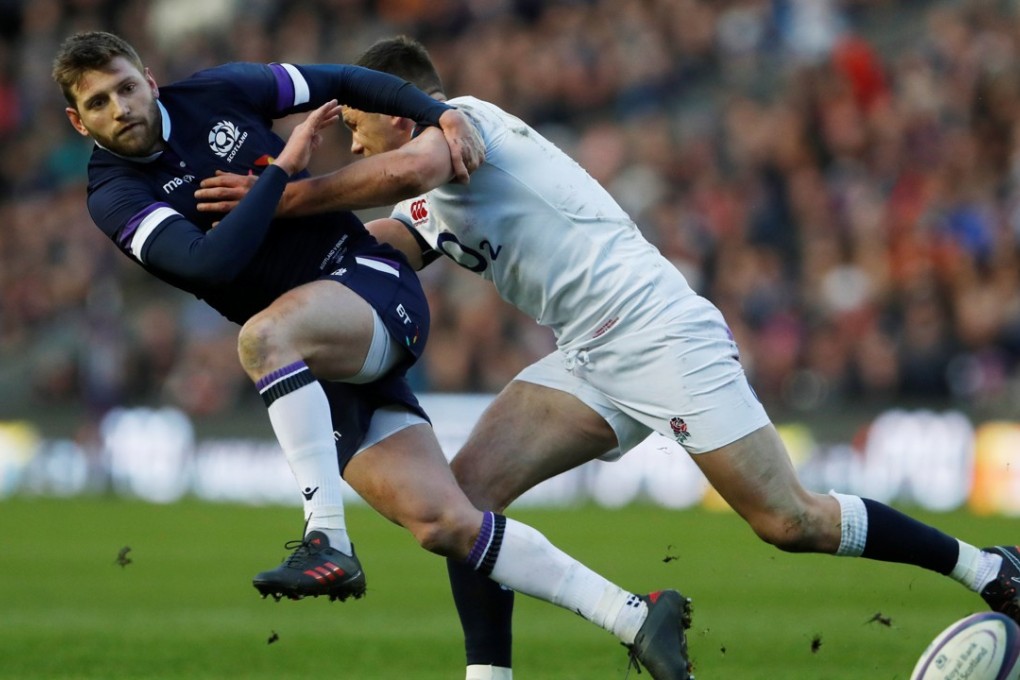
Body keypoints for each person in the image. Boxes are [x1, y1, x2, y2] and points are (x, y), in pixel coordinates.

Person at [195, 35, 1020, 680]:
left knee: (789, 521)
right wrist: (247, 236)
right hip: (588, 356)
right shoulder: (427, 195)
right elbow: (371, 252)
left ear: (399, 112)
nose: (351, 138)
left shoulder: (466, 123)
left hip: (657, 332)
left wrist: (285, 197)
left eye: (357, 122)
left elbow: (407, 169)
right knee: (467, 503)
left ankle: (989, 568)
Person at [53, 31, 694, 680]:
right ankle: (636, 617)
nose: (120, 108)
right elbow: (210, 264)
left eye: (126, 87)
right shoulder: (114, 195)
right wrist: (278, 173)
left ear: (150, 80)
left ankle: (325, 538)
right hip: (317, 356)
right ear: (80, 121)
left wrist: (438, 113)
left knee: (262, 338)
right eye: (100, 103)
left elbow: (344, 78)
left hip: (365, 282)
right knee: (447, 523)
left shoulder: (219, 91)